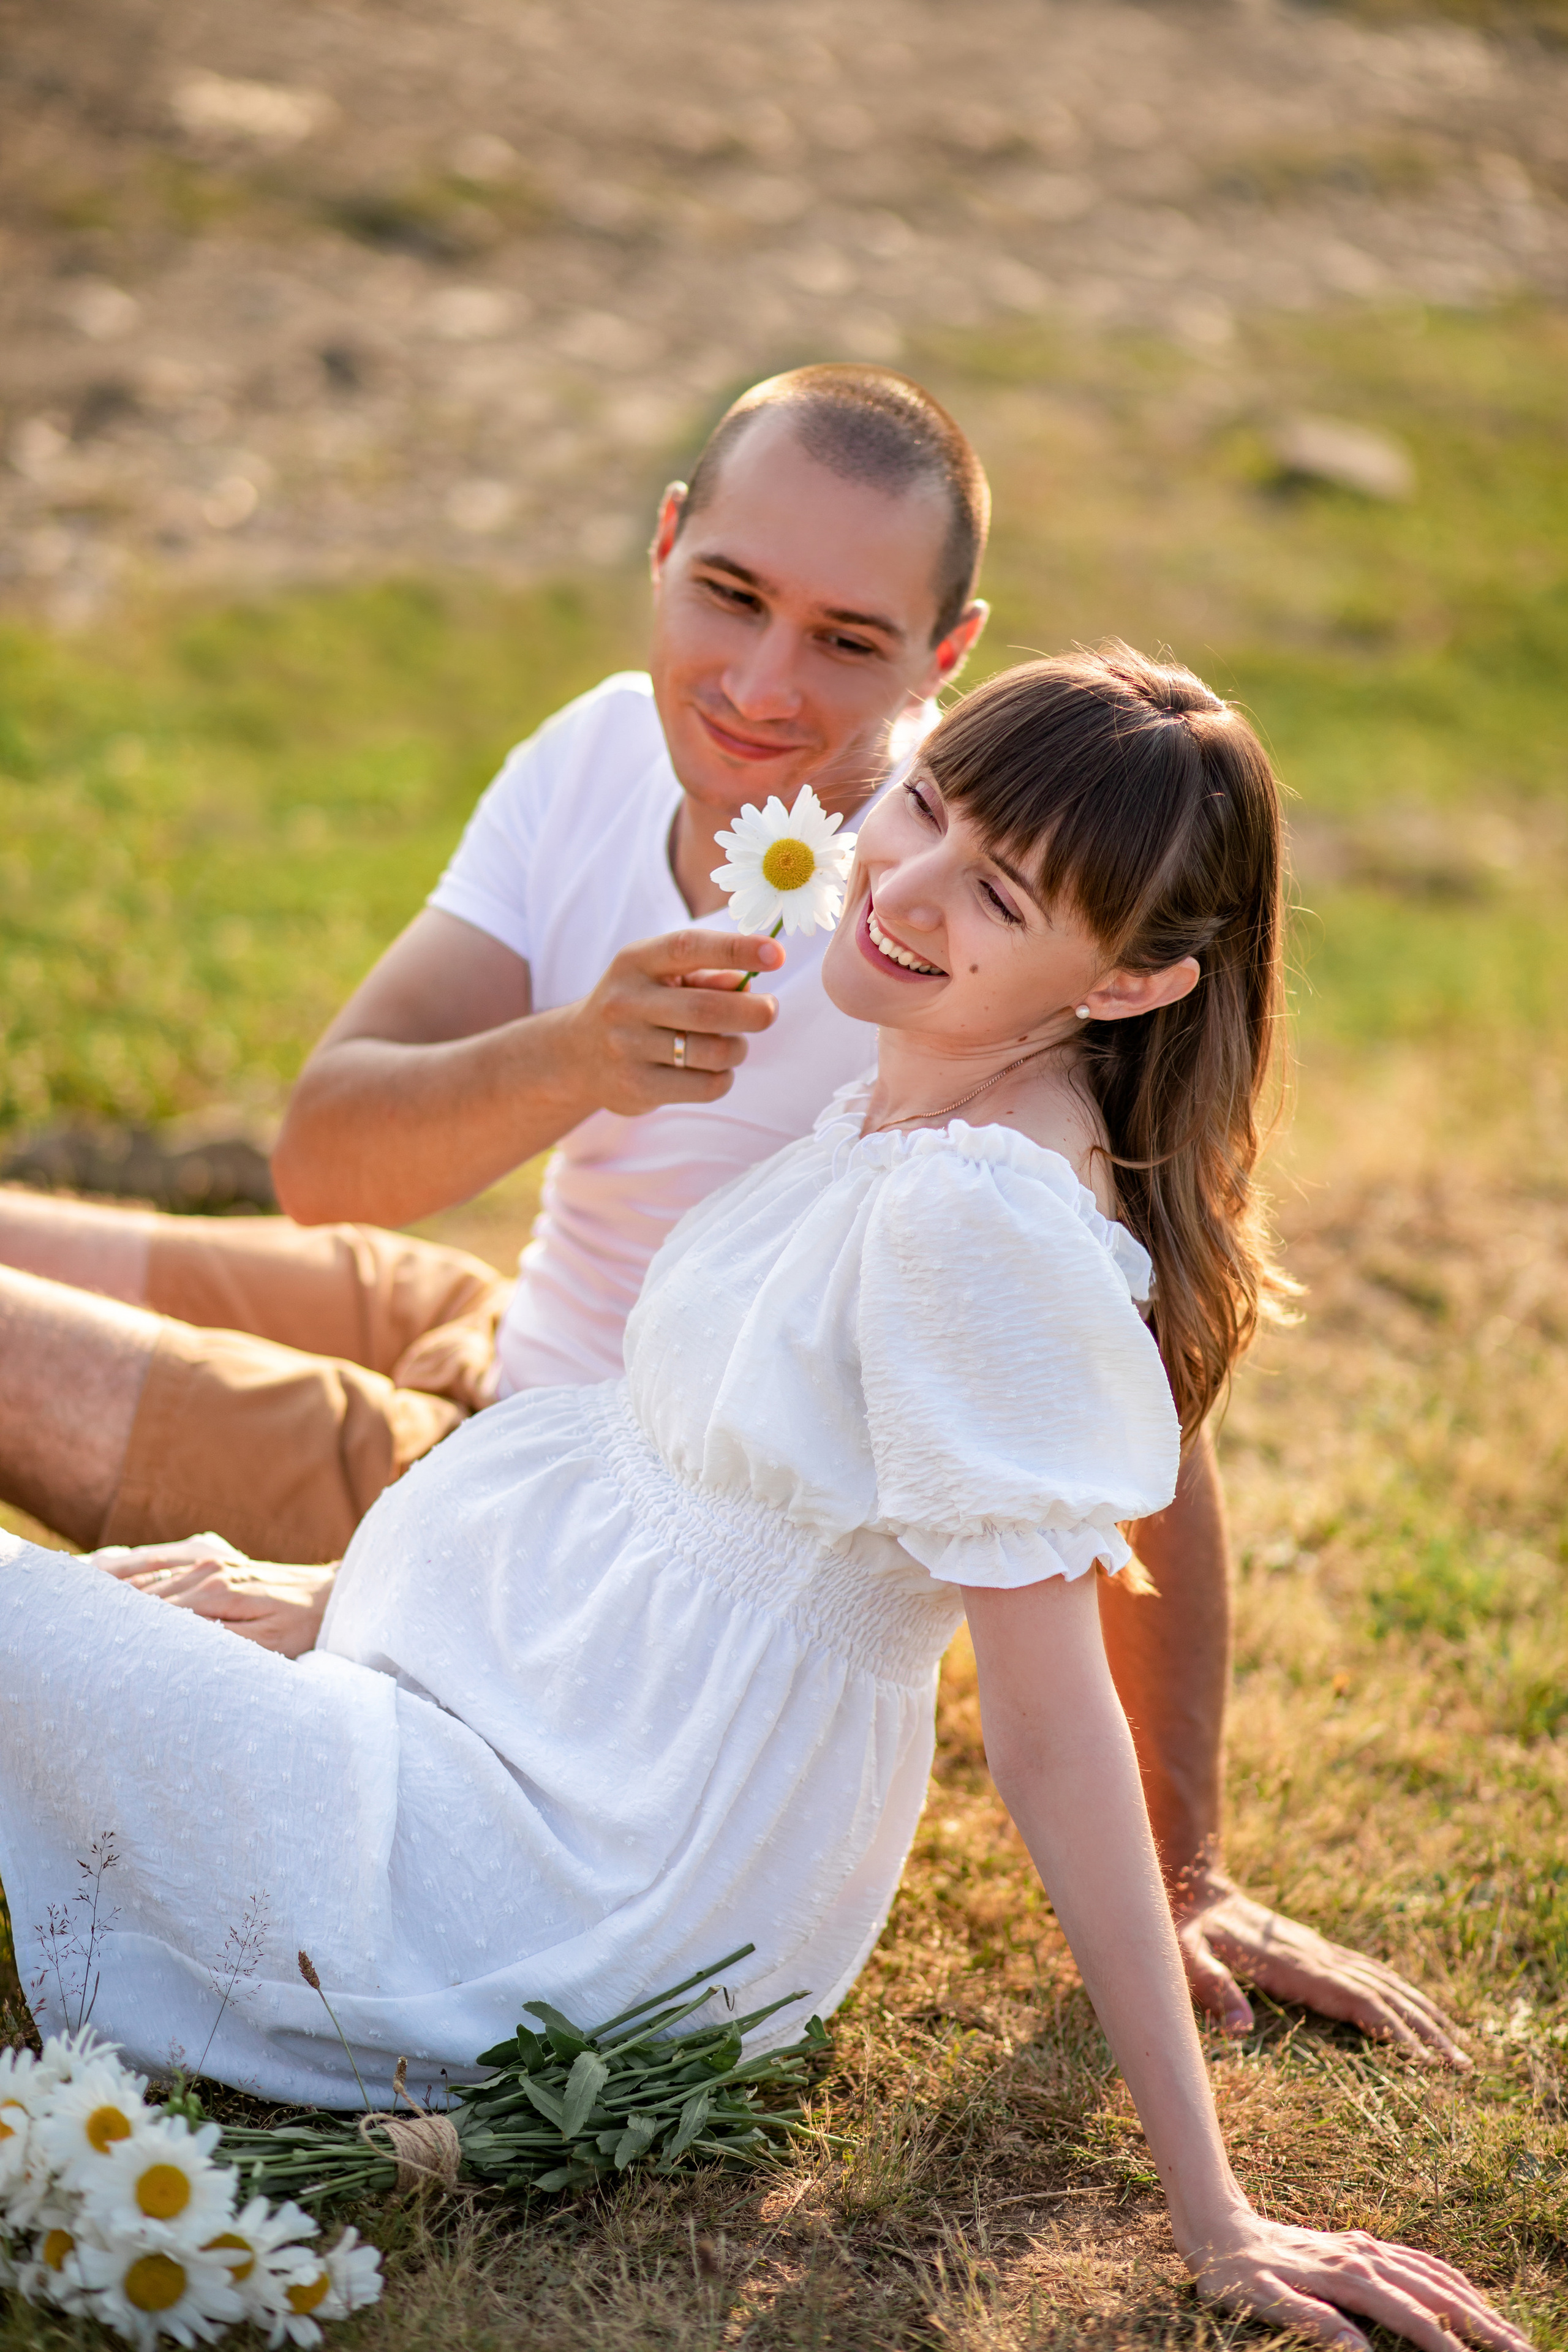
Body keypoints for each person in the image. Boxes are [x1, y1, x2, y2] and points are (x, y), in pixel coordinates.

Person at [0, 652, 1525, 2350]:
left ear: (1135, 981)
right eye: (930, 807)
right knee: (107, 1616)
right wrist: (331, 1608)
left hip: (558, 1898)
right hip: (510, 1753)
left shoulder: (982, 1224)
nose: (908, 885)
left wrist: (1216, 2209)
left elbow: (1045, 1724)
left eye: (1000, 896)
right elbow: (671, 1526)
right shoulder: (938, 1095)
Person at [0, 366, 1458, 2062]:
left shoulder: (954, 949)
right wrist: (573, 1058)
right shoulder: (592, 753)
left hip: (521, 1508)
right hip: (490, 1314)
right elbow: (326, 1153)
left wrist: (1186, 1858)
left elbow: (1132, 1408)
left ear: (949, 653)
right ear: (666, 541)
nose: (764, 687)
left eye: (850, 639)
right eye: (734, 597)